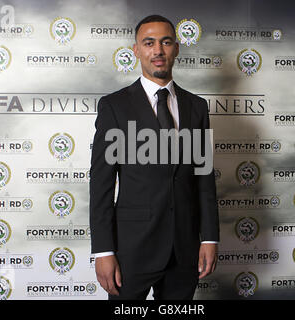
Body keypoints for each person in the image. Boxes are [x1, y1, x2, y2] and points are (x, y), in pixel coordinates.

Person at [90, 14, 219, 300]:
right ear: (136, 50)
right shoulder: (114, 106)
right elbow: (101, 185)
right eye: (149, 43)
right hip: (130, 251)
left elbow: (204, 180)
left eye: (166, 42)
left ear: (176, 48)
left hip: (184, 250)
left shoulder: (196, 107)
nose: (158, 51)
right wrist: (103, 250)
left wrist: (209, 237)